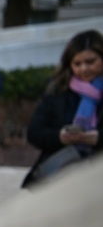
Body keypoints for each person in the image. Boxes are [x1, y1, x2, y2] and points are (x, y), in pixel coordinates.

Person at [22, 29, 103, 188]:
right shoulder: (58, 91)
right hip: (62, 176)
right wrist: (60, 137)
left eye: (90, 62)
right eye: (77, 64)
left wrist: (99, 139)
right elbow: (34, 132)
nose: (83, 69)